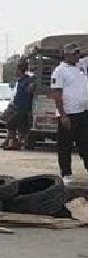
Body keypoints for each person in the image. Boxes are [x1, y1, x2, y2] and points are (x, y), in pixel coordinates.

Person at [50, 42, 88, 186]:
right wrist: (63, 115)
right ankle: (66, 173)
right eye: (74, 53)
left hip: (84, 112)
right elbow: (57, 93)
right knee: (65, 145)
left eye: (78, 52)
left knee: (85, 144)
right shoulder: (60, 71)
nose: (78, 55)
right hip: (68, 114)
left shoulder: (81, 66)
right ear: (67, 55)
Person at [4, 60, 35, 151]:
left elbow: (29, 91)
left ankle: (17, 142)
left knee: (18, 125)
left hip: (23, 108)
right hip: (17, 106)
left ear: (20, 69)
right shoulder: (20, 80)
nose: (15, 71)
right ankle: (14, 141)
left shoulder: (27, 80)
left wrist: (30, 87)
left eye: (17, 69)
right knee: (11, 124)